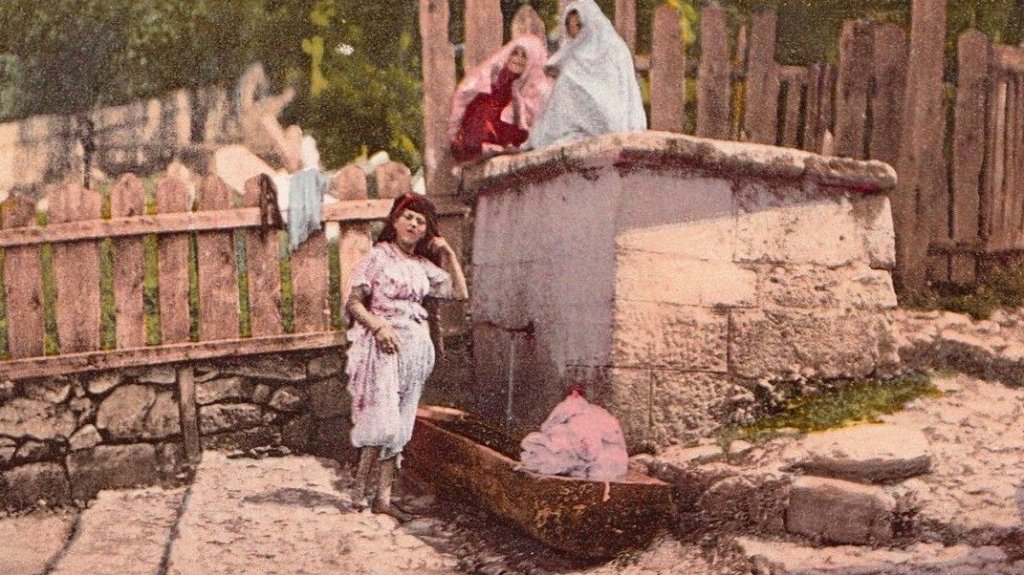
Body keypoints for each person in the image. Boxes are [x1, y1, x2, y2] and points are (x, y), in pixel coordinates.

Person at [344, 193, 469, 520]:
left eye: (421, 221)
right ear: (395, 220)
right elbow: (353, 302)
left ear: (427, 230)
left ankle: (383, 499)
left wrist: (448, 252)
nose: (413, 224)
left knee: (401, 424)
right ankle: (358, 495)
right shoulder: (378, 257)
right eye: (408, 217)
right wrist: (378, 327)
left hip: (416, 350)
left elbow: (459, 293)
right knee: (381, 420)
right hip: (385, 346)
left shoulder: (422, 266)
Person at [526, 0, 647, 149]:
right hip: (583, 118)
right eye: (569, 28)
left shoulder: (614, 48)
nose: (575, 33)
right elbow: (554, 64)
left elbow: (621, 92)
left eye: (579, 25)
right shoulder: (576, 50)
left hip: (610, 117)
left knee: (567, 80)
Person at [448, 35, 552, 162]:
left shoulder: (537, 88)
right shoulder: (495, 75)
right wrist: (454, 133)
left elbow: (535, 119)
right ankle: (481, 148)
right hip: (482, 133)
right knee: (483, 103)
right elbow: (464, 95)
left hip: (512, 137)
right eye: (515, 54)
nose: (518, 59)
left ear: (533, 60)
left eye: (524, 56)